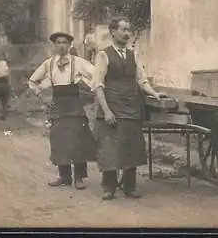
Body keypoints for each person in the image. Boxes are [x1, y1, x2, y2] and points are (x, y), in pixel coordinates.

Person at [91, 16, 167, 200]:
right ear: (113, 32)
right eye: (123, 30)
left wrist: (154, 94)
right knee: (110, 149)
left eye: (129, 30)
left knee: (131, 147)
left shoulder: (134, 55)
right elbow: (97, 85)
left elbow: (141, 80)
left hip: (131, 107)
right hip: (112, 107)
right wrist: (107, 111)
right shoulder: (103, 55)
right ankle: (109, 187)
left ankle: (129, 186)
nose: (127, 34)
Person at [28, 32, 96, 190]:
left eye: (65, 42)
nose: (61, 45)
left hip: (74, 103)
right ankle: (64, 176)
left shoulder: (78, 62)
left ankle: (79, 177)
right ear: (54, 45)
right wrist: (41, 95)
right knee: (59, 141)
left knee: (78, 140)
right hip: (57, 104)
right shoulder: (48, 64)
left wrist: (94, 90)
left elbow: (96, 74)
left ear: (70, 45)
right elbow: (32, 81)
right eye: (58, 42)